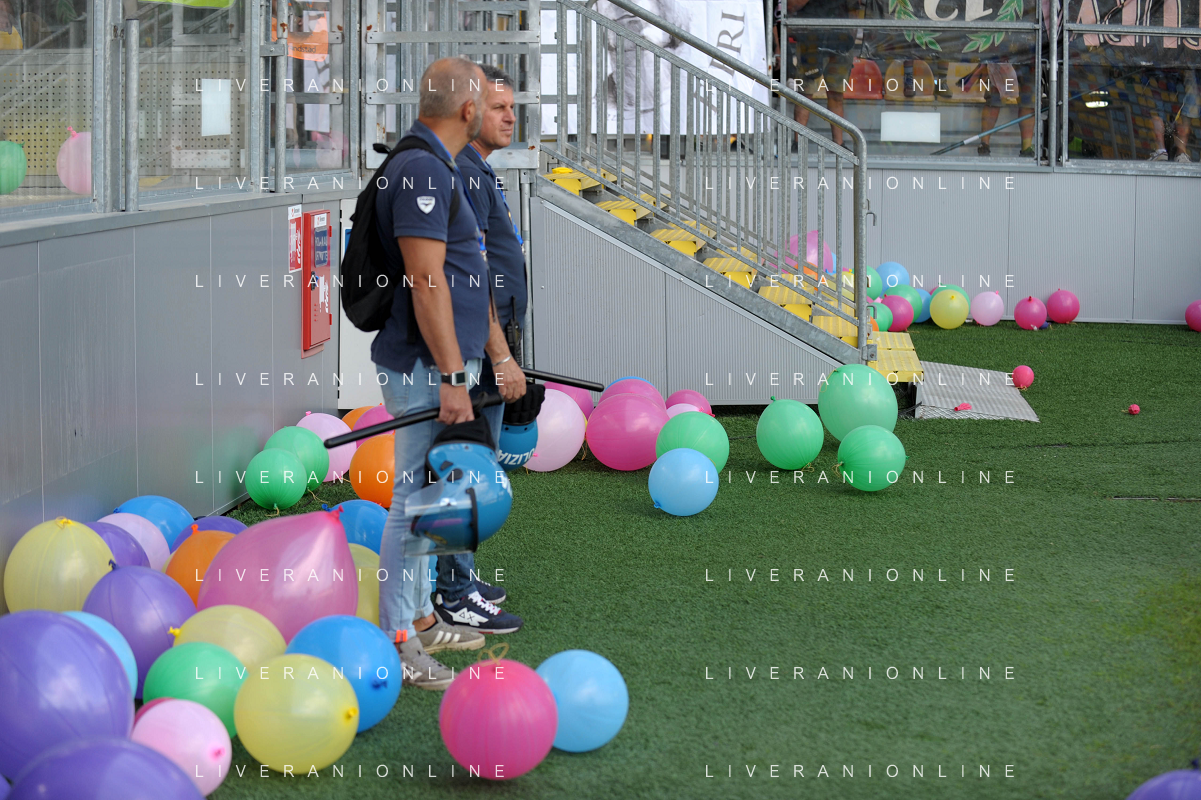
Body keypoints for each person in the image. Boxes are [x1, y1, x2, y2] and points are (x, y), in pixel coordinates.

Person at [372, 56, 526, 691]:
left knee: (432, 498)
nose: (499, 113)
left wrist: (485, 356)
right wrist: (452, 376)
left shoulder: (440, 164)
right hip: (424, 366)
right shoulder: (423, 170)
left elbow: (466, 271)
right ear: (468, 109)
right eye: (489, 103)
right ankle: (398, 639)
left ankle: (422, 618)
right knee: (412, 502)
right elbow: (427, 279)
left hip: (442, 362)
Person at [426, 63, 530, 636]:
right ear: (470, 112)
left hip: (483, 345)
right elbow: (472, 274)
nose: (510, 117)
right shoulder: (463, 170)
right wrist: (501, 356)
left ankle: (458, 577)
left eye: (513, 107)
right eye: (498, 108)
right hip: (474, 349)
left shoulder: (477, 167)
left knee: (473, 465)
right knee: (464, 471)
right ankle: (453, 592)